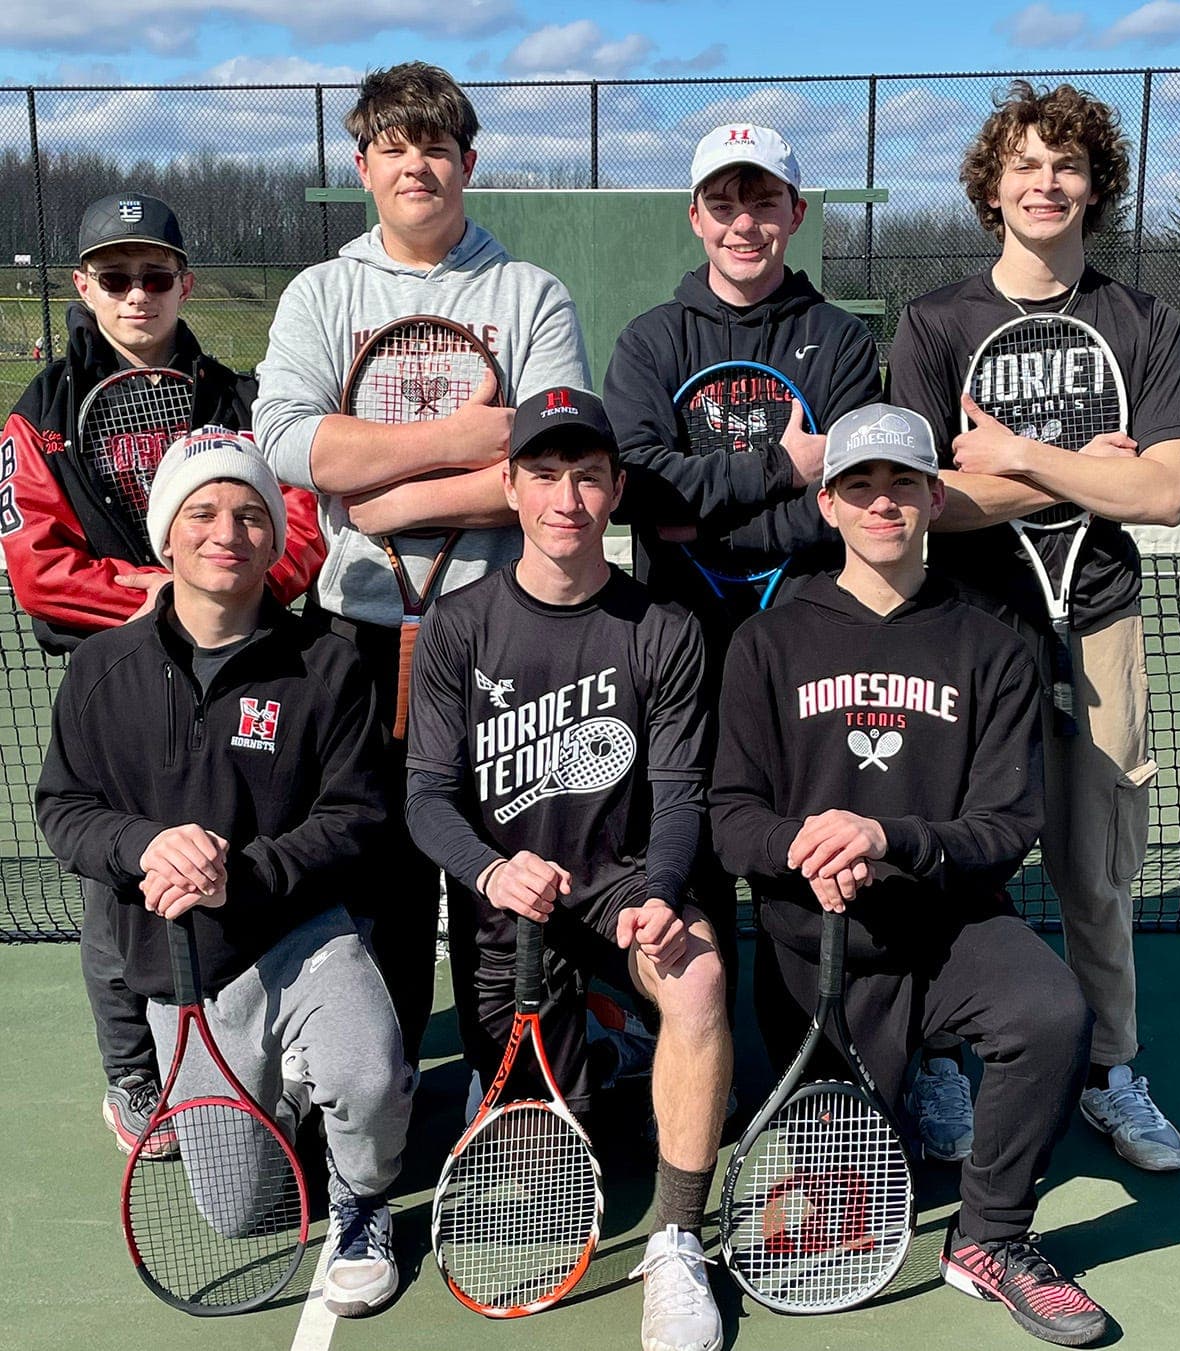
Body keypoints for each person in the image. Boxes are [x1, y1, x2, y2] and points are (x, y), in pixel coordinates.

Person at [711, 403, 1108, 1347]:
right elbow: (732, 819)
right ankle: (867, 1141)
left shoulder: (993, 643)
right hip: (821, 949)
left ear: (935, 497)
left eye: (902, 483)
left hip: (949, 927)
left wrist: (888, 837)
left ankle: (990, 1236)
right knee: (838, 1194)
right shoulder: (767, 643)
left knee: (1050, 1012)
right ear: (829, 504)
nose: (881, 502)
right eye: (860, 485)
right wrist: (806, 851)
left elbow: (1007, 826)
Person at [886, 80, 1180, 1171]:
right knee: (951, 862)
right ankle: (938, 1057)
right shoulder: (934, 324)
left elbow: (1164, 493)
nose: (1046, 182)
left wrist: (1015, 455)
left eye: (1067, 164)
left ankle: (1112, 1070)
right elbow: (922, 499)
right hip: (968, 633)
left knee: (1098, 872)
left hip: (1103, 623)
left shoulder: (1146, 322)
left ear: (1097, 186)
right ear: (992, 187)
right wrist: (1081, 471)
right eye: (1025, 164)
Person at [254, 62, 590, 1070]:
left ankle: (512, 1089)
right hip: (356, 634)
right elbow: (289, 443)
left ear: (467, 164)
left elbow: (550, 472)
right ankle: (386, 1092)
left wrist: (390, 498)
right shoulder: (323, 292)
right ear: (362, 167)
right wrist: (457, 440)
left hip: (502, 633)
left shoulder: (529, 294)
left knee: (502, 875)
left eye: (436, 148)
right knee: (380, 881)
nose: (416, 167)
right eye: (393, 148)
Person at [36, 431, 410, 1318]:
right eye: (201, 512)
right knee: (240, 1212)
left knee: (369, 1074)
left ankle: (363, 1199)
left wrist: (241, 875)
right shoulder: (99, 670)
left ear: (275, 538)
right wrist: (143, 846)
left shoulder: (326, 664)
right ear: (167, 536)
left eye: (249, 515)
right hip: (187, 971)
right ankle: (283, 1100)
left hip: (303, 938)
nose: (226, 532)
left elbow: (357, 817)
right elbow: (64, 808)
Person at [405, 388, 732, 1351]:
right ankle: (593, 1056)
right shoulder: (457, 626)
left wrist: (663, 894)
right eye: (544, 474)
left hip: (625, 882)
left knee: (700, 978)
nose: (567, 498)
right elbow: (426, 797)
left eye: (588, 476)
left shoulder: (663, 627)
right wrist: (489, 871)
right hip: (510, 909)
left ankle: (677, 1239)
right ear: (509, 486)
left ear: (617, 489)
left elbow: (681, 796)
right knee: (543, 1184)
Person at [0, 191, 324, 1156]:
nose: (136, 294)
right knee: (120, 881)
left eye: (154, 275)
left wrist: (226, 593)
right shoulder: (38, 414)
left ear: (184, 282)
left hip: (247, 664)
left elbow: (302, 527)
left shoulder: (241, 398)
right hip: (118, 678)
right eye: (116, 277)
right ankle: (134, 1079)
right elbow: (38, 567)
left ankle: (273, 1047)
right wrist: (156, 597)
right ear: (83, 286)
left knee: (250, 849)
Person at [602, 123, 885, 1064]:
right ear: (696, 217)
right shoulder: (652, 340)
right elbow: (643, 494)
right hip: (676, 650)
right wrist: (778, 469)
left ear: (795, 213)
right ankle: (702, 1066)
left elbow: (843, 507)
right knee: (687, 862)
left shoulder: (840, 341)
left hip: (807, 647)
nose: (743, 223)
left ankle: (822, 1061)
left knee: (805, 863)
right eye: (723, 204)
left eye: (763, 202)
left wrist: (706, 516)